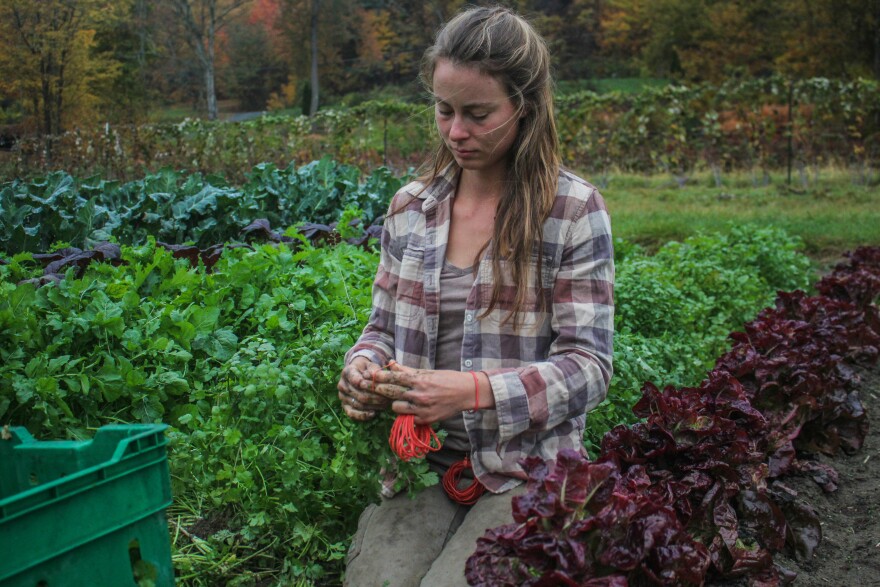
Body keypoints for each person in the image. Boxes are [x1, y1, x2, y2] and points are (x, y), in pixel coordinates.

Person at [336, 5, 614, 586]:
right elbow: (381, 327)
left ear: (525, 106)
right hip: (421, 461)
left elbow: (589, 368)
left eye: (477, 113)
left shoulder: (570, 210)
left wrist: (475, 391)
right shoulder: (411, 207)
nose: (456, 132)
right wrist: (362, 365)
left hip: (524, 468)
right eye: (444, 111)